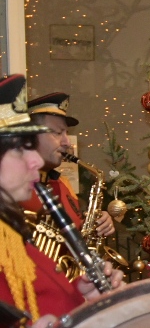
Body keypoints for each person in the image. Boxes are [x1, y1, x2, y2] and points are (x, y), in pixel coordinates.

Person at [0, 75, 124, 328]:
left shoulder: (9, 229)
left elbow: (36, 303)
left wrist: (82, 297)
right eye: (19, 151)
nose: (34, 162)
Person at [20, 92, 115, 235]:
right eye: (58, 133)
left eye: (66, 133)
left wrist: (95, 225)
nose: (67, 142)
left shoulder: (63, 185)